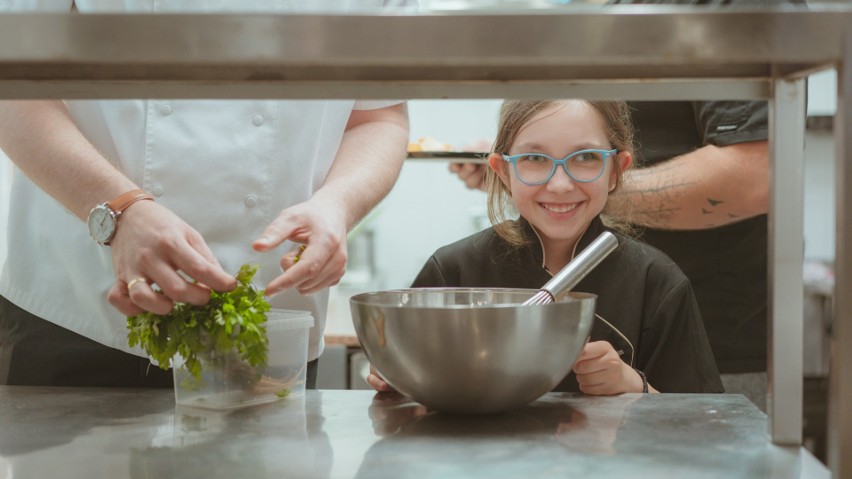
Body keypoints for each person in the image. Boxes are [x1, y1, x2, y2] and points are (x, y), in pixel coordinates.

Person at [0, 0, 415, 388]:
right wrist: (120, 211)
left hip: (269, 329)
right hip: (79, 312)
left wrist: (337, 205)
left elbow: (377, 115)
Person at [370, 99, 724, 395]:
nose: (559, 184)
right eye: (535, 160)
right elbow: (402, 389)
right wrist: (395, 378)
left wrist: (634, 386)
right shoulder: (453, 270)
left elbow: (703, 424)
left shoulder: (657, 282)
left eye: (585, 157)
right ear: (502, 171)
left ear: (616, 169)